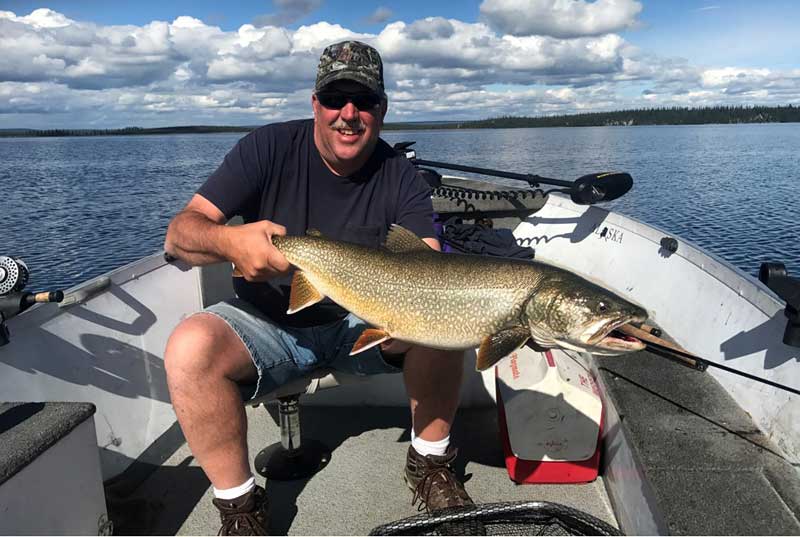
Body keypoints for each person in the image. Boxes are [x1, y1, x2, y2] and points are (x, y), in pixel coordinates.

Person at [163, 40, 474, 536]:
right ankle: (241, 508)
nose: (348, 114)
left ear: (382, 110)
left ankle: (430, 464)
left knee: (442, 323)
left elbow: (429, 264)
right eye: (335, 99)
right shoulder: (265, 148)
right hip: (270, 322)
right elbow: (180, 235)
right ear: (315, 104)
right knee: (188, 348)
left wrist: (406, 323)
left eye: (364, 101)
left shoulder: (402, 176)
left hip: (362, 323)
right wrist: (230, 241)